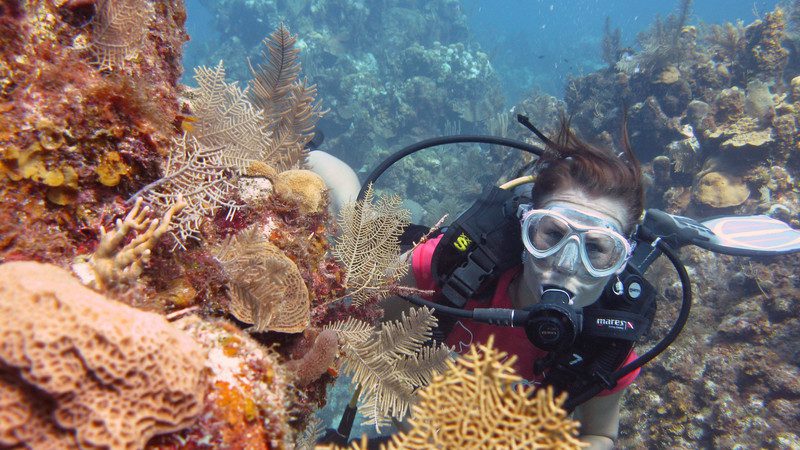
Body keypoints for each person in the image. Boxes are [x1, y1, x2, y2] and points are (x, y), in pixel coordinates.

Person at [388, 117, 644, 450]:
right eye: (552, 234)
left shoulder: (606, 344)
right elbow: (360, 316)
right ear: (525, 231)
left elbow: (600, 434)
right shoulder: (454, 269)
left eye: (596, 248)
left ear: (620, 262)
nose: (566, 264)